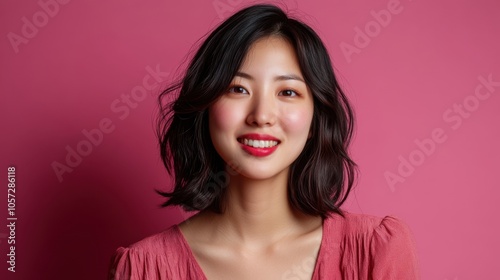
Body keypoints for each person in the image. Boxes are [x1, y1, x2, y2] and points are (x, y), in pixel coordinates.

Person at [109, 4, 420, 280]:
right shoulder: (142, 269)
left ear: (315, 120)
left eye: (287, 92)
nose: (261, 116)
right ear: (206, 109)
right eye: (238, 89)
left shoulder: (376, 251)